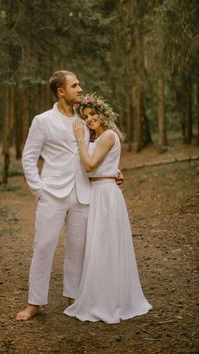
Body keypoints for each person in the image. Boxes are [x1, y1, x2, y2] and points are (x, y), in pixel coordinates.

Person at [16, 71, 124, 321]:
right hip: (52, 193)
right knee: (43, 247)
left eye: (79, 84)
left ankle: (73, 298)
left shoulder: (85, 121)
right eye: (74, 85)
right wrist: (39, 191)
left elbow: (96, 152)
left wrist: (113, 172)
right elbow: (29, 157)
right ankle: (35, 303)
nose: (80, 88)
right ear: (61, 91)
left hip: (84, 193)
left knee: (78, 249)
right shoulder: (42, 121)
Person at [64, 93, 152, 323]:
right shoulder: (99, 138)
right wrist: (115, 172)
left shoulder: (108, 136)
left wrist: (80, 140)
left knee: (106, 245)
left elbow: (91, 164)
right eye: (85, 116)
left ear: (103, 114)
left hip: (105, 195)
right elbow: (98, 165)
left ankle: (110, 299)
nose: (90, 119)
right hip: (99, 191)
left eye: (93, 114)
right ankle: (100, 293)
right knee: (99, 245)